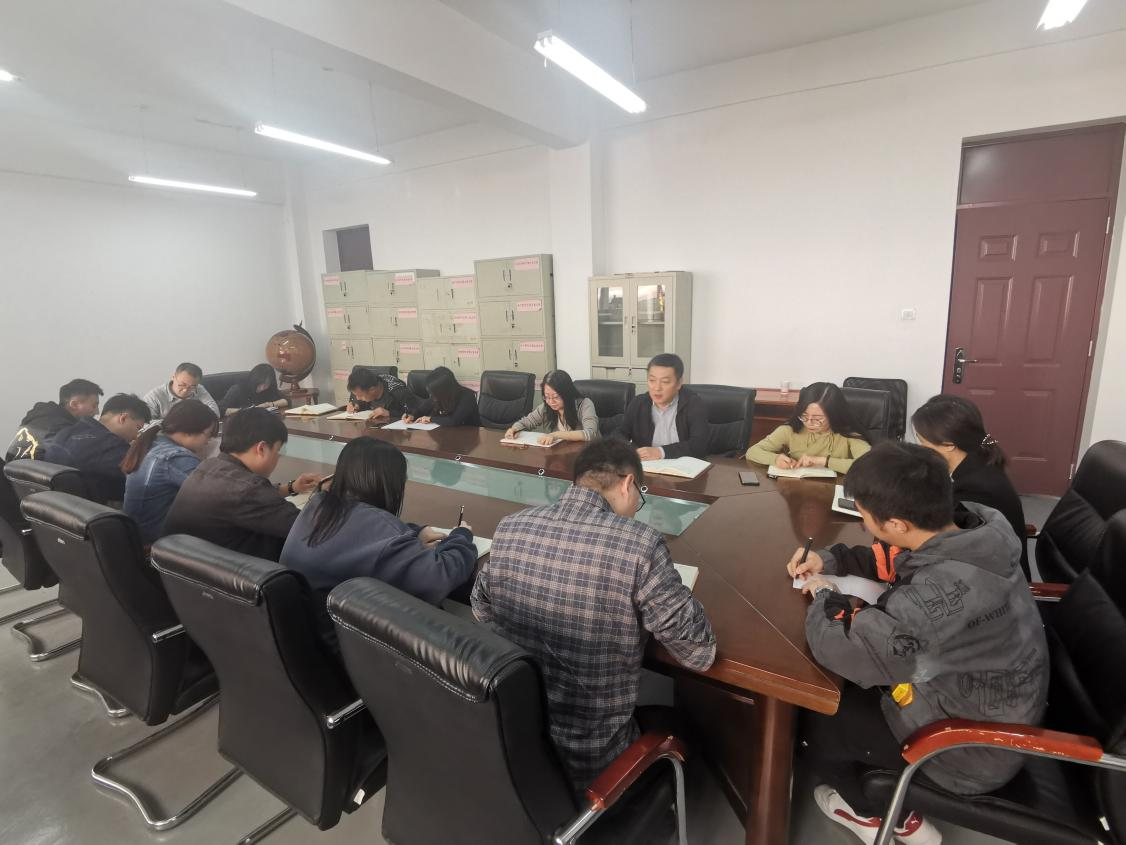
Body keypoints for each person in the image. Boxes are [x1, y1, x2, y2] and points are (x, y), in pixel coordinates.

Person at [789, 442, 1048, 844]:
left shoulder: (932, 602)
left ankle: (874, 814)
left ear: (897, 524)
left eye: (864, 516)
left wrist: (824, 594)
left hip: (967, 750)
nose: (863, 525)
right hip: (1000, 700)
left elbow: (841, 648)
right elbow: (899, 559)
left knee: (813, 714)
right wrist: (832, 558)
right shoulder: (976, 530)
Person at [472, 439, 716, 789]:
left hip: (516, 743)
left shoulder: (511, 526)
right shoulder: (641, 543)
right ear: (628, 483)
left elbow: (481, 607)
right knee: (688, 726)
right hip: (595, 763)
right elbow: (699, 652)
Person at [281, 438, 477, 654]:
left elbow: (363, 532)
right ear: (389, 484)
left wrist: (415, 532)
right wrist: (461, 536)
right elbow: (442, 575)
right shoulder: (378, 530)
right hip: (348, 654)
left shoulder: (317, 505)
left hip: (307, 641)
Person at [162, 408, 319, 560]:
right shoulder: (249, 488)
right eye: (278, 451)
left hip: (189, 569)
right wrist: (326, 497)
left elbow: (244, 500)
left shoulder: (209, 466)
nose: (278, 458)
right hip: (241, 572)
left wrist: (291, 488)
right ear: (262, 448)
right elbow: (311, 528)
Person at [912, 395, 1030, 580]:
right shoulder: (979, 461)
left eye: (922, 442)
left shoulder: (975, 489)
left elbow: (940, 542)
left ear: (949, 445)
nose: (920, 447)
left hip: (995, 583)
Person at [121, 400, 218, 545]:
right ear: (190, 430)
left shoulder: (154, 443)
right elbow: (216, 498)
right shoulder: (176, 457)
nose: (208, 441)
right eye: (208, 434)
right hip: (156, 545)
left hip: (137, 536)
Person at [43, 393, 151, 505]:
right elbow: (145, 478)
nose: (136, 436)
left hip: (56, 506)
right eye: (138, 428)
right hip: (88, 509)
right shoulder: (112, 445)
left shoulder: (66, 432)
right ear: (123, 418)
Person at [746, 382, 870, 473]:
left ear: (834, 415)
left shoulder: (848, 435)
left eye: (817, 418)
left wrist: (824, 461)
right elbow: (752, 452)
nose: (809, 422)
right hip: (796, 490)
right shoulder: (790, 430)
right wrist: (775, 459)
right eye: (804, 416)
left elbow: (869, 466)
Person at [614, 353, 709, 460]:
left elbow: (699, 445)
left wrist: (660, 452)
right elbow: (619, 434)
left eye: (665, 382)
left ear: (679, 383)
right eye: (652, 380)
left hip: (682, 467)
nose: (657, 388)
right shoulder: (639, 403)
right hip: (647, 466)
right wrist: (632, 450)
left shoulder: (693, 404)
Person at [6, 378, 104, 461]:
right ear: (74, 404)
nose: (97, 412)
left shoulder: (37, 418)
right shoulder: (60, 428)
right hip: (38, 477)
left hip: (12, 475)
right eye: (94, 406)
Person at [503, 369, 599, 445]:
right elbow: (526, 422)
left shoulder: (585, 404)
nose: (551, 402)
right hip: (562, 453)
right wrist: (514, 429)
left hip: (588, 454)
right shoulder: (546, 407)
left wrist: (556, 435)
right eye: (547, 397)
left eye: (556, 397)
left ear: (567, 393)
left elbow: (590, 434)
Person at [402, 366, 479, 427]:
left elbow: (454, 421)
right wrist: (412, 415)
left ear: (443, 390)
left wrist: (431, 419)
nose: (432, 396)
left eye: (434, 393)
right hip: (445, 434)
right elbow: (422, 409)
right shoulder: (438, 396)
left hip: (468, 435)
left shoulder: (467, 396)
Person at [143, 362, 220, 419]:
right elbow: (145, 423)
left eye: (192, 387)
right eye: (182, 385)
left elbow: (215, 412)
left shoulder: (199, 389)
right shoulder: (154, 396)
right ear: (173, 377)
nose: (185, 390)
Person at [345, 366, 420, 422]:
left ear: (372, 390)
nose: (357, 398)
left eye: (360, 396)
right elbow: (356, 400)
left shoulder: (398, 391)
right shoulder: (363, 387)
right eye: (355, 395)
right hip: (374, 427)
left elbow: (415, 412)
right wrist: (356, 404)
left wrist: (389, 413)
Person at [219, 364, 289, 416]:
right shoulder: (238, 389)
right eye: (259, 384)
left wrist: (268, 404)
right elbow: (221, 410)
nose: (262, 388)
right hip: (241, 424)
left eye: (266, 385)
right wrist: (245, 411)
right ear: (254, 380)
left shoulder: (269, 389)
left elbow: (287, 400)